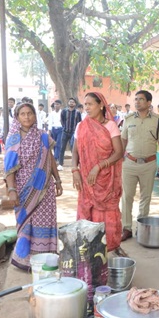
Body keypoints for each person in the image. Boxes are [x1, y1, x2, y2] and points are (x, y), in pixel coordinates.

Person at [4, 103, 62, 271]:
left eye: (30, 113)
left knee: (45, 222)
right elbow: (9, 168)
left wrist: (58, 180)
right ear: (17, 117)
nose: (27, 117)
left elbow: (50, 159)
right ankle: (25, 261)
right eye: (22, 114)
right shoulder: (13, 138)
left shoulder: (43, 135)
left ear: (35, 115)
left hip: (45, 188)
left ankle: (45, 258)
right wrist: (12, 190)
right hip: (23, 188)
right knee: (25, 222)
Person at [71, 92, 124, 252]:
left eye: (90, 104)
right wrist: (75, 170)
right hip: (87, 179)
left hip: (106, 180)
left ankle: (111, 248)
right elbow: (75, 151)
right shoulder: (81, 126)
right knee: (88, 211)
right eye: (85, 105)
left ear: (101, 105)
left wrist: (99, 166)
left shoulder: (110, 126)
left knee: (108, 214)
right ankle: (88, 251)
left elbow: (119, 152)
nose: (87, 108)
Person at [120, 90, 159, 241]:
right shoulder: (128, 119)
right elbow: (123, 140)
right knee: (127, 196)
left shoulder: (157, 120)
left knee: (145, 197)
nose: (137, 102)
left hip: (149, 164)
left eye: (141, 99)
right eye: (136, 99)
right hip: (129, 163)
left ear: (148, 103)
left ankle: (141, 228)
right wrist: (120, 158)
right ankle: (126, 228)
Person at [59, 98, 81, 169]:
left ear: (75, 104)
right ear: (68, 103)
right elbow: (62, 120)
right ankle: (60, 164)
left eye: (73, 102)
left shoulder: (77, 112)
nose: (71, 103)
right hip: (65, 132)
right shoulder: (64, 111)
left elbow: (79, 122)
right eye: (70, 102)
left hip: (73, 133)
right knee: (62, 148)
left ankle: (75, 164)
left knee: (73, 148)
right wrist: (64, 127)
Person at [48, 99, 63, 169]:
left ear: (60, 105)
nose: (56, 105)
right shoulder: (52, 113)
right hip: (53, 129)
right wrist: (49, 131)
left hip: (60, 129)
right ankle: (57, 158)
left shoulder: (62, 112)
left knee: (58, 144)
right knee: (54, 144)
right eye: (55, 104)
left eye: (57, 104)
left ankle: (55, 158)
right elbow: (50, 122)